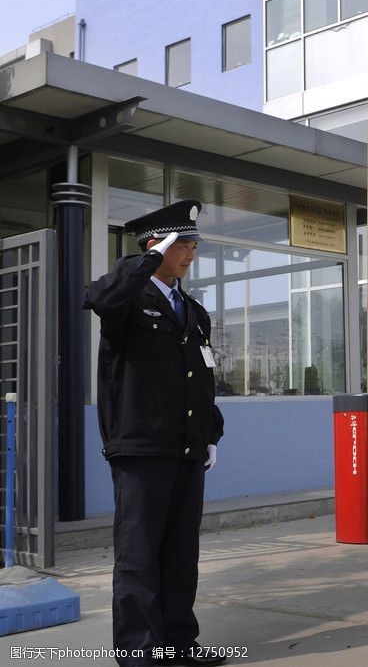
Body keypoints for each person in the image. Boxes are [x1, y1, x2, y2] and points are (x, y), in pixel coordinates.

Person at [83, 199, 226, 667]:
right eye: (181, 244)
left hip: (186, 449)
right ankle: (141, 656)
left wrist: (211, 434)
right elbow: (100, 297)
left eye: (192, 245)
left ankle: (179, 646)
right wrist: (143, 262)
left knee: (181, 556)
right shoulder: (128, 300)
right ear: (155, 245)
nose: (190, 253)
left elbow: (201, 378)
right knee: (140, 557)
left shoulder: (193, 311)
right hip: (141, 448)